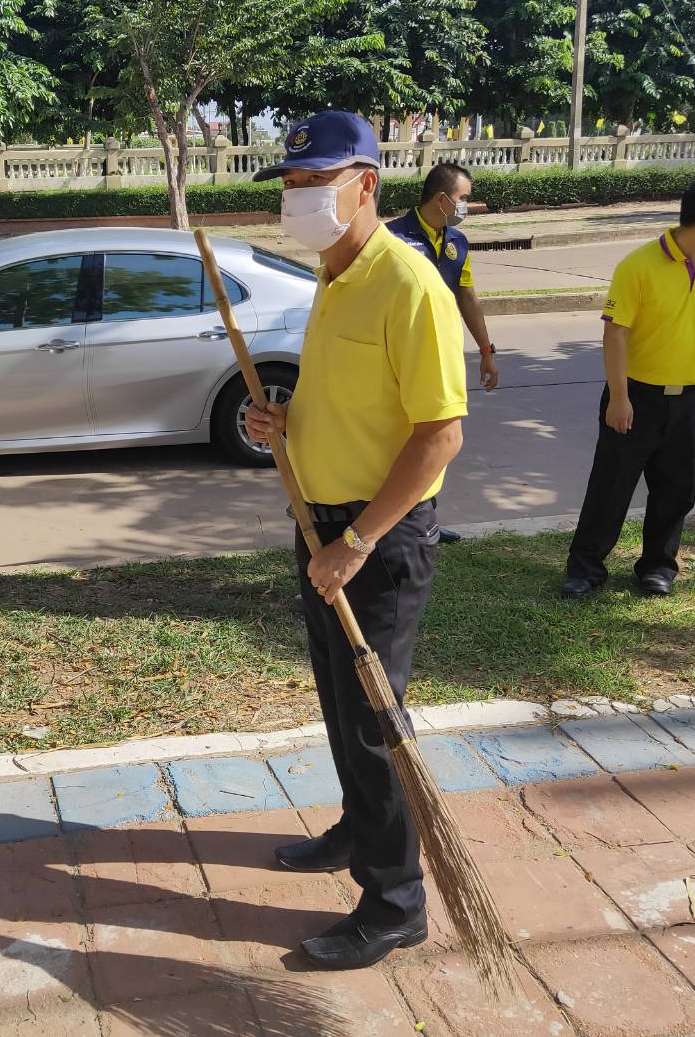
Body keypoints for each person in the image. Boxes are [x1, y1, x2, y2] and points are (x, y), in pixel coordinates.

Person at [246, 111, 467, 970]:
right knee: (340, 700)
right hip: (322, 521)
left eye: (313, 184)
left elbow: (437, 434)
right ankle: (352, 828)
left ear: (364, 184)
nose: (297, 200)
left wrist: (358, 542)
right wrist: (283, 422)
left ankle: (395, 902)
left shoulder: (409, 286)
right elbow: (349, 405)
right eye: (292, 186)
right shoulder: (333, 280)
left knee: (376, 717)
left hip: (379, 535)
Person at [561, 174, 695, 599]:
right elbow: (616, 333)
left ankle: (658, 567)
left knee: (678, 489)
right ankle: (585, 569)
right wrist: (620, 397)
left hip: (688, 399)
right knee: (611, 487)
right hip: (636, 398)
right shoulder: (639, 265)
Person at [387, 162, 499, 543]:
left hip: (442, 356)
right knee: (403, 437)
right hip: (400, 359)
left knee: (439, 435)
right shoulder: (391, 240)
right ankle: (397, 519)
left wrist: (486, 350)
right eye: (464, 199)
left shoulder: (458, 243)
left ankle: (426, 518)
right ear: (442, 199)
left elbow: (466, 296)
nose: (466, 205)